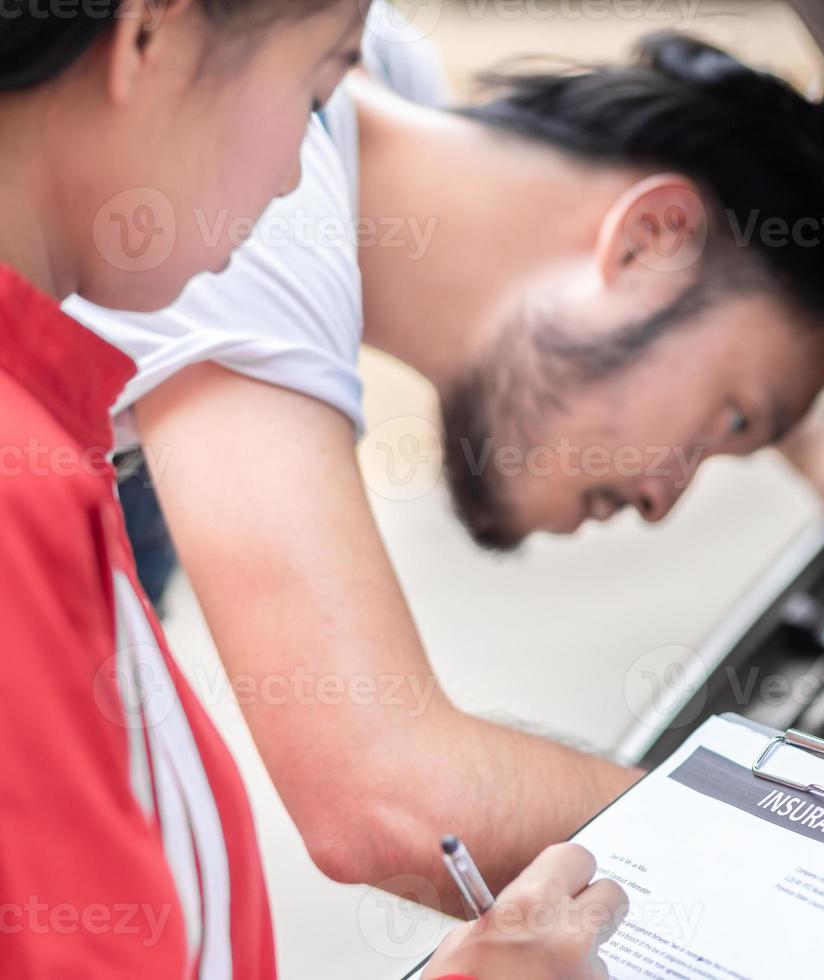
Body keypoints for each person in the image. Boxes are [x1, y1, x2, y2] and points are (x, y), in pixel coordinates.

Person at [67, 24, 824, 979]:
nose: (668, 500)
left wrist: (783, 417)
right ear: (655, 237)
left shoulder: (362, 91)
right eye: (726, 417)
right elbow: (389, 786)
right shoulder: (258, 209)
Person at [0, 3, 621, 977]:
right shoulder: (18, 490)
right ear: (149, 39)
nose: (296, 171)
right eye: (315, 92)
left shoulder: (53, 426)